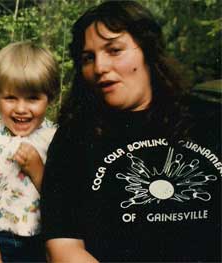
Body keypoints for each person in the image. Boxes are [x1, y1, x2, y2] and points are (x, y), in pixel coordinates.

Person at [41, 1, 221, 262]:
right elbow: (64, 246)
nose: (100, 67)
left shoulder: (210, 118)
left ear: (148, 50)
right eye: (88, 57)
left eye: (114, 50)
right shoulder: (74, 138)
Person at [0, 41, 60, 262]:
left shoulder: (55, 137)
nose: (21, 109)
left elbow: (61, 203)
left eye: (33, 98)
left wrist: (38, 170)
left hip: (39, 244)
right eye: (10, 98)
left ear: (50, 96)